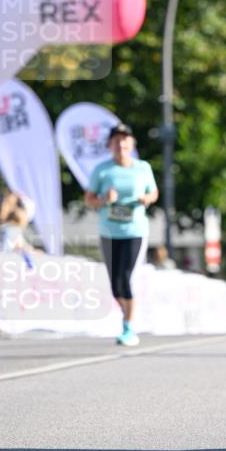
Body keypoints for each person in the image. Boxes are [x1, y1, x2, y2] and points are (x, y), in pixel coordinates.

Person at [85, 123, 158, 346]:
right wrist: (104, 199)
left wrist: (147, 199)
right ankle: (125, 315)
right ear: (110, 145)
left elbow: (153, 192)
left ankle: (129, 326)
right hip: (109, 231)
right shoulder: (102, 170)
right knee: (115, 284)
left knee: (126, 276)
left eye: (125, 140)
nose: (121, 144)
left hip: (134, 230)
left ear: (132, 144)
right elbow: (89, 199)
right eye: (116, 140)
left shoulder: (142, 168)